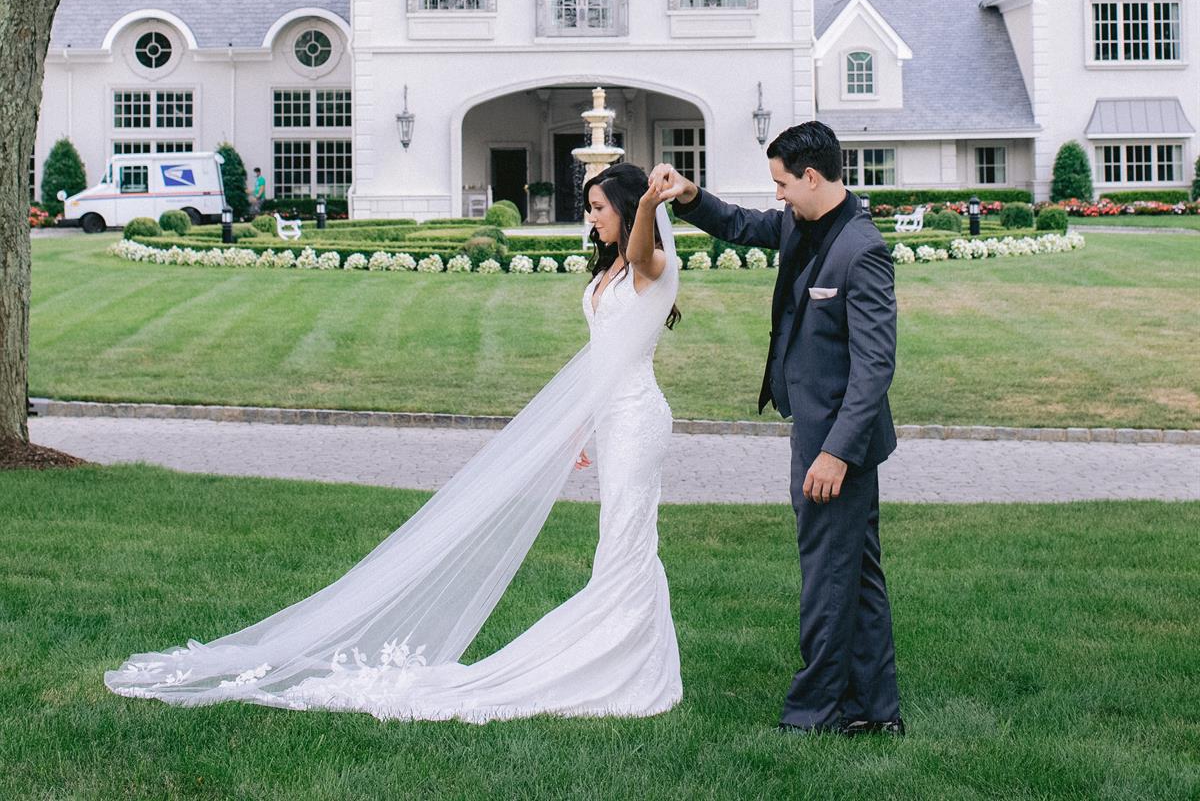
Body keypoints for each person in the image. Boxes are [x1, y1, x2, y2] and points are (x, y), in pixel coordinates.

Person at [105, 163, 681, 723]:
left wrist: (651, 203)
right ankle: (629, 655)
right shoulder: (611, 269)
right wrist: (579, 427)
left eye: (598, 209)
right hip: (611, 416)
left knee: (627, 537)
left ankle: (625, 660)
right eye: (588, 208)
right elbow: (603, 356)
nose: (590, 218)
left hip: (637, 419)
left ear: (628, 209)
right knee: (620, 535)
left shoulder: (649, 265)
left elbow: (638, 259)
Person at [651, 119, 902, 737]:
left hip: (835, 444)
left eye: (783, 184)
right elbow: (740, 224)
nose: (778, 196)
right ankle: (875, 710)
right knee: (855, 574)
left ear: (812, 177)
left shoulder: (862, 249)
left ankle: (815, 712)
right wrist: (689, 194)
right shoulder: (798, 223)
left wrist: (836, 454)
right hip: (815, 429)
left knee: (828, 575)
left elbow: (875, 366)